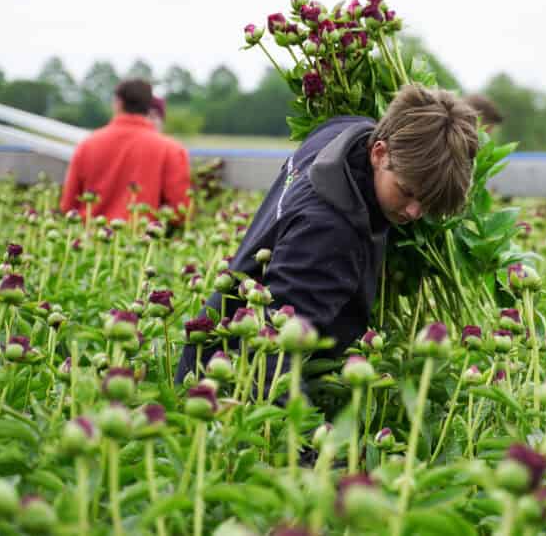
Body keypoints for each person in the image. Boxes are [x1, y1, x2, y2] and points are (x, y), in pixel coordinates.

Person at [176, 84, 479, 382]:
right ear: (379, 152)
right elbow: (271, 354)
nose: (414, 213)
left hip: (215, 347)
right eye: (406, 191)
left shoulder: (344, 133)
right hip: (224, 383)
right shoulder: (330, 232)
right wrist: (296, 428)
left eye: (427, 204)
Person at [60, 79, 191, 221]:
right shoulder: (171, 150)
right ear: (149, 106)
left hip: (88, 236)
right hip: (144, 238)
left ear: (117, 103)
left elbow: (68, 206)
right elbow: (180, 210)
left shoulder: (87, 145)